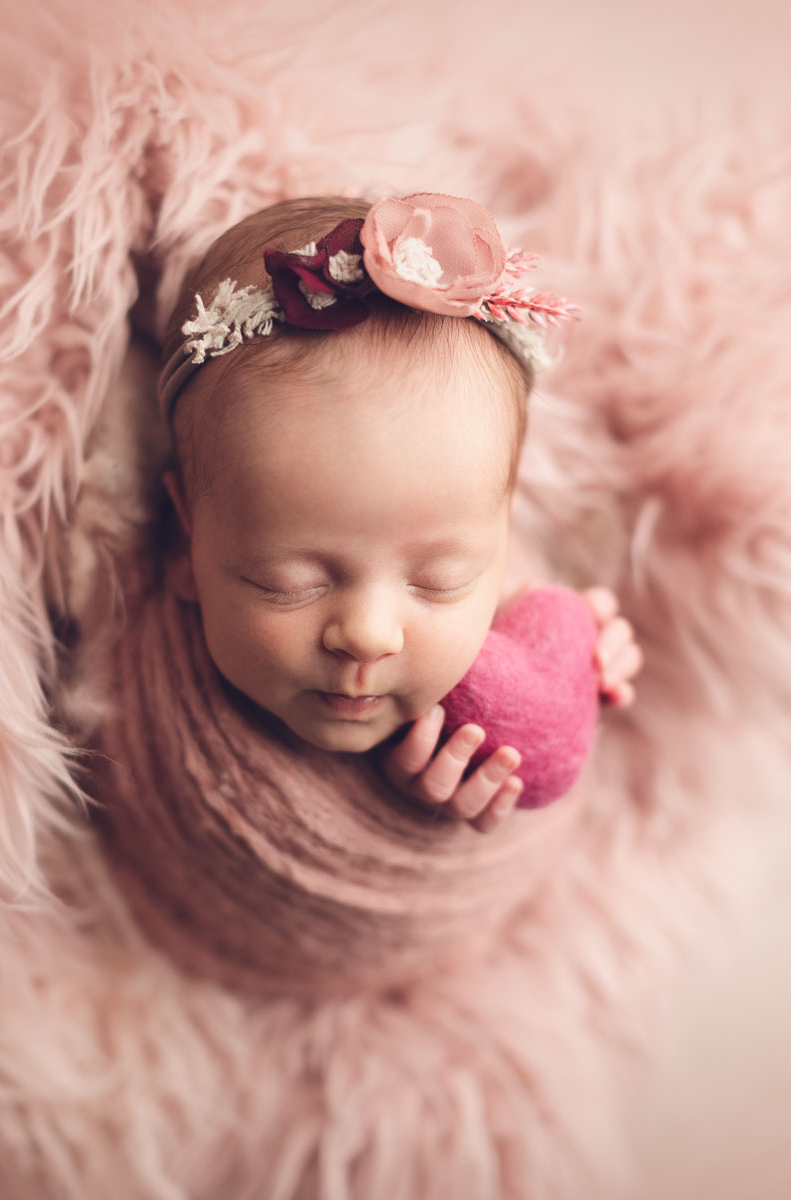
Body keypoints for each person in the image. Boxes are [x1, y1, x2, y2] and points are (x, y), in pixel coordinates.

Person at [157, 192, 643, 836]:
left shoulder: (497, 568)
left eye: (440, 581)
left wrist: (576, 650)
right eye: (290, 583)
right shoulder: (146, 680)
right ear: (187, 537)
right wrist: (390, 811)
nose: (369, 635)